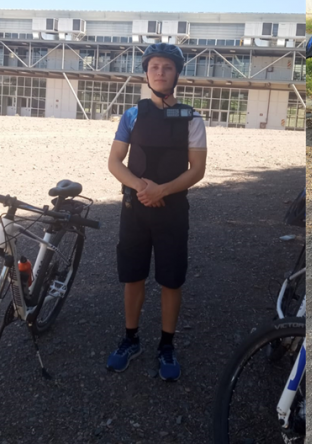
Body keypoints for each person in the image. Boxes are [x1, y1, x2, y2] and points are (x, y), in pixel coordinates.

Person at [106, 43, 207, 381]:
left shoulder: (192, 117)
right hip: (135, 209)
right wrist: (142, 188)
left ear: (176, 73)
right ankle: (130, 339)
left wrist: (162, 190)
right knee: (133, 276)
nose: (160, 72)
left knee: (170, 280)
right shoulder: (132, 114)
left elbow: (197, 169)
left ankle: (167, 344)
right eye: (154, 67)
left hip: (173, 210)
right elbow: (115, 161)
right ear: (146, 73)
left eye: (167, 67)